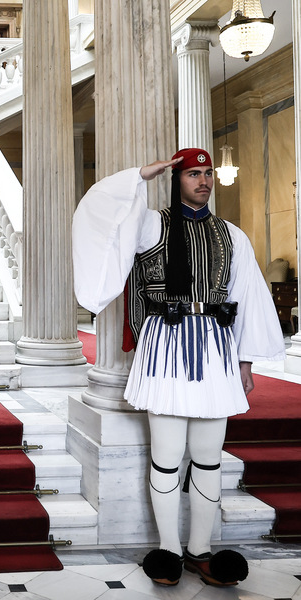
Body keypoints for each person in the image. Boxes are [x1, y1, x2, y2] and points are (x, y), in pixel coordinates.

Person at [72, 148, 285, 588]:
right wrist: (141, 175)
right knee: (167, 457)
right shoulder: (151, 224)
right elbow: (100, 211)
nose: (203, 180)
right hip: (166, 345)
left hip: (215, 349)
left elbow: (247, 296)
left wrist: (245, 361)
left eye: (208, 173)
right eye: (193, 174)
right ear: (177, 179)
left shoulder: (232, 235)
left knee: (208, 458)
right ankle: (169, 550)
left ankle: (200, 551)